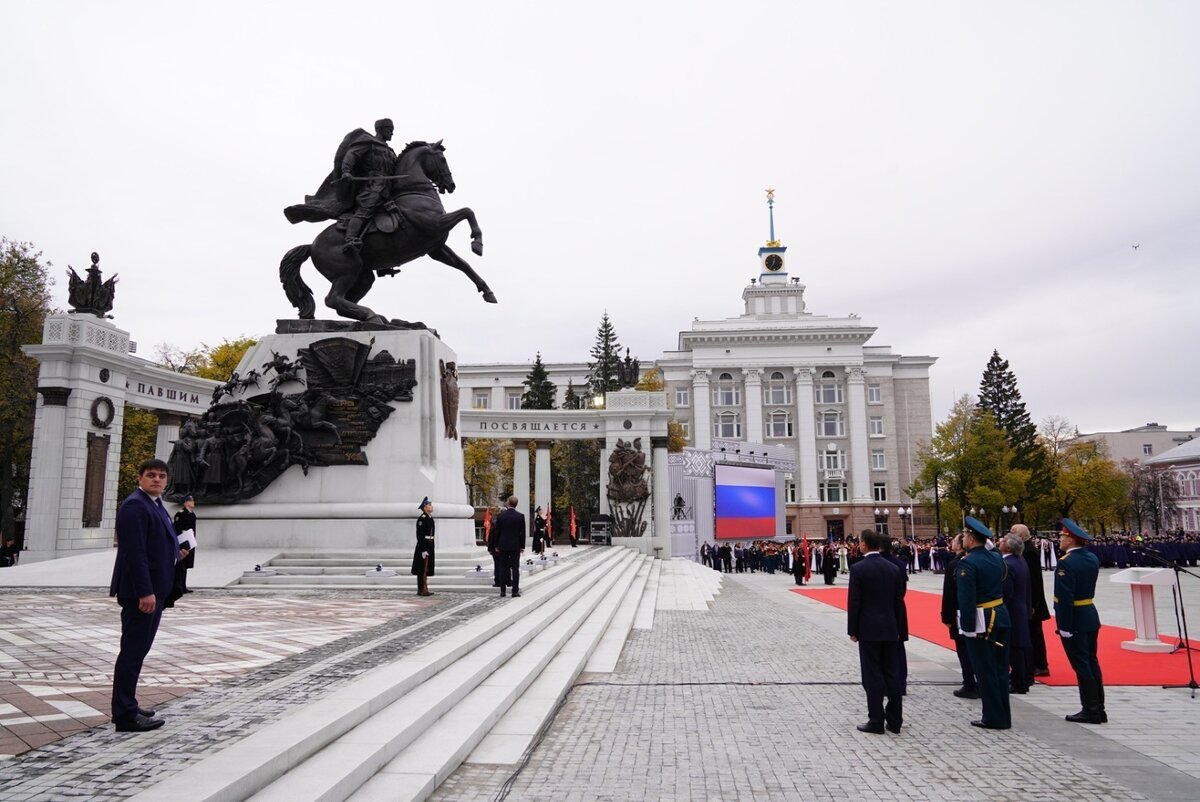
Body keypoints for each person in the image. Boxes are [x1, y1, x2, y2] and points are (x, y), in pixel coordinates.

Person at [110, 459, 187, 733]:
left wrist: (174, 554)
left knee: (138, 651)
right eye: (151, 475)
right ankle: (125, 715)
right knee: (132, 652)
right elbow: (134, 553)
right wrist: (145, 591)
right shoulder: (134, 506)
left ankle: (128, 703)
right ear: (140, 477)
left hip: (155, 589)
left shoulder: (155, 504)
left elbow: (154, 544)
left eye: (161, 476)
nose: (157, 480)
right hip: (141, 593)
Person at [847, 529, 906, 735]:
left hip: (868, 629)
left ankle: (876, 720)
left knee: (872, 675)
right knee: (892, 673)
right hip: (890, 628)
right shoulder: (893, 568)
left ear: (864, 544)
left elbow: (854, 602)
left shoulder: (858, 569)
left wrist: (852, 630)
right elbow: (898, 601)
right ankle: (895, 720)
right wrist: (899, 627)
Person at [956, 516, 1011, 730]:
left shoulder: (968, 563)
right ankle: (1003, 715)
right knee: (1000, 670)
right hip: (1001, 613)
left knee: (985, 670)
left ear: (970, 538)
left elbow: (966, 599)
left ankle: (993, 717)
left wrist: (967, 628)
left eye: (965, 536)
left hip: (983, 620)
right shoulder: (997, 558)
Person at [1055, 518, 1107, 724]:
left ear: (1071, 540)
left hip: (1075, 617)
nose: (1060, 539)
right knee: (1092, 661)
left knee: (1081, 663)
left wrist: (1064, 626)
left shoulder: (1066, 563)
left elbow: (1064, 598)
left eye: (1062, 536)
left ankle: (1090, 709)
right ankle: (1099, 707)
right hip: (1089, 614)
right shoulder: (1091, 558)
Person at [1011, 523, 1052, 677]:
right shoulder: (1024, 550)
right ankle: (1033, 662)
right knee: (1030, 632)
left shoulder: (1029, 552)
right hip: (1028, 601)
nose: (1010, 535)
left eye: (1013, 533)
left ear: (1021, 536)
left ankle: (1041, 664)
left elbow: (1033, 581)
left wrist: (1033, 603)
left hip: (1032, 602)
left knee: (1035, 633)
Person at [941, 534, 978, 699]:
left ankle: (969, 683)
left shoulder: (956, 564)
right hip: (981, 613)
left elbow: (949, 594)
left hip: (959, 613)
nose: (953, 543)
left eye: (956, 541)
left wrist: (946, 616)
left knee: (964, 651)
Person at [998, 533, 1032, 694]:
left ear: (1009, 547)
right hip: (1020, 608)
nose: (1000, 542)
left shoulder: (1008, 564)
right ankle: (1022, 680)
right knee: (1018, 646)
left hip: (1011, 610)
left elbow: (1006, 592)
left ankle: (1018, 682)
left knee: (1014, 647)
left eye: (1003, 541)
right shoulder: (1020, 560)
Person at [491, 495, 527, 597]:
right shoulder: (520, 516)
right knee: (515, 568)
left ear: (508, 503)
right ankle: (515, 591)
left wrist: (496, 545)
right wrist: (522, 546)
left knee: (503, 567)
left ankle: (502, 591)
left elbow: (497, 532)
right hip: (515, 545)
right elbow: (522, 533)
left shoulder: (501, 516)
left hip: (503, 545)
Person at [168, 495, 198, 605]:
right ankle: (180, 586)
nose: (193, 502)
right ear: (185, 503)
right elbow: (177, 528)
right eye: (191, 501)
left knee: (186, 566)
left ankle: (184, 586)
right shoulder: (180, 514)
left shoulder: (192, 514)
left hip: (190, 542)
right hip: (183, 542)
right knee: (182, 565)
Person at [411, 497, 436, 596]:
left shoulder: (429, 517)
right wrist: (423, 549)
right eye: (429, 505)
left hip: (430, 544)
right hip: (424, 545)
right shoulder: (422, 519)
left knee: (426, 567)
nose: (431, 506)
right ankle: (421, 589)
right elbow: (420, 535)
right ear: (425, 507)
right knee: (422, 568)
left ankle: (425, 587)